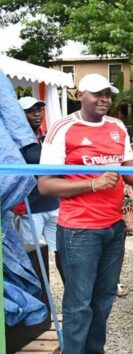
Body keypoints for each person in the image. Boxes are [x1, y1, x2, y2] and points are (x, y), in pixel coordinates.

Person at [38, 73, 133, 354]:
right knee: (79, 305)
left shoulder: (117, 127)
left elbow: (131, 175)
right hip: (79, 230)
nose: (104, 99)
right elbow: (45, 185)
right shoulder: (63, 128)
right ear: (79, 94)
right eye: (97, 94)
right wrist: (92, 183)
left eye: (108, 94)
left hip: (113, 228)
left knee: (103, 302)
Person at [13, 96, 63, 282]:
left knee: (62, 251)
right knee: (33, 257)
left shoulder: (49, 137)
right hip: (29, 207)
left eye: (39, 110)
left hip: (53, 203)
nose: (36, 114)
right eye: (30, 111)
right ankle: (39, 296)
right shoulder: (15, 142)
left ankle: (71, 293)